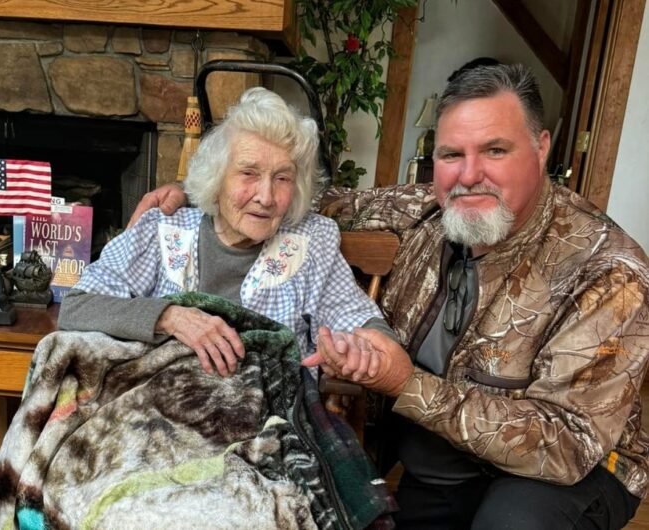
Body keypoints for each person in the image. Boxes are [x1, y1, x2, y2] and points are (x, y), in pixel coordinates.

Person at [130, 64, 649, 529]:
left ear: (541, 148)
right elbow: (309, 198)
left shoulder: (608, 272)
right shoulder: (424, 208)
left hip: (562, 475)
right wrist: (196, 192)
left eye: (495, 150)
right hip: (436, 462)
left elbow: (564, 446)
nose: (468, 175)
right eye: (451, 154)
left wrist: (405, 383)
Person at [59, 86, 392, 377]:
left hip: (266, 421)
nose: (265, 197)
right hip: (159, 413)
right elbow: (77, 307)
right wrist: (169, 317)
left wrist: (360, 349)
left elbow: (363, 322)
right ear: (216, 180)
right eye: (248, 173)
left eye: (282, 178)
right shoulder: (163, 231)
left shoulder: (310, 243)